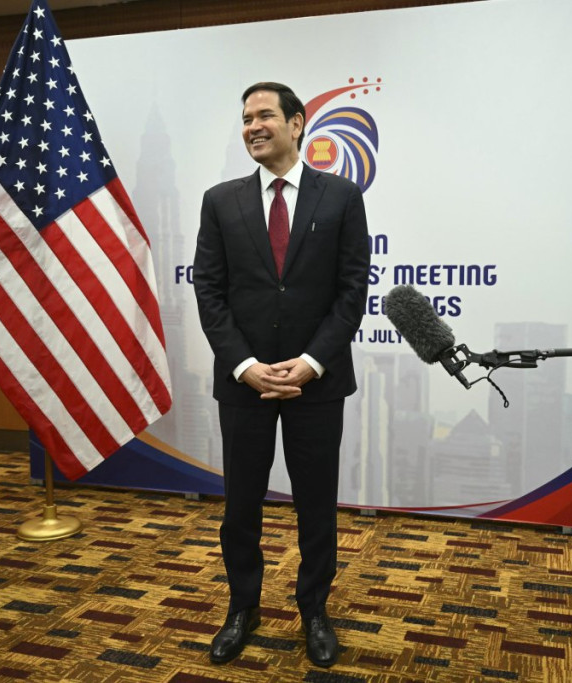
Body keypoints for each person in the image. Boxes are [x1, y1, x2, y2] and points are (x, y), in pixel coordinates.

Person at [192, 81, 371, 668]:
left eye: (264, 115)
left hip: (316, 383)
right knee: (240, 506)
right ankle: (242, 607)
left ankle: (314, 610)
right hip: (243, 385)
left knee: (316, 505)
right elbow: (210, 292)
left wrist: (312, 362)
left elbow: (351, 291)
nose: (252, 126)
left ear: (296, 124)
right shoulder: (220, 201)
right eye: (246, 118)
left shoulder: (341, 196)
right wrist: (245, 366)